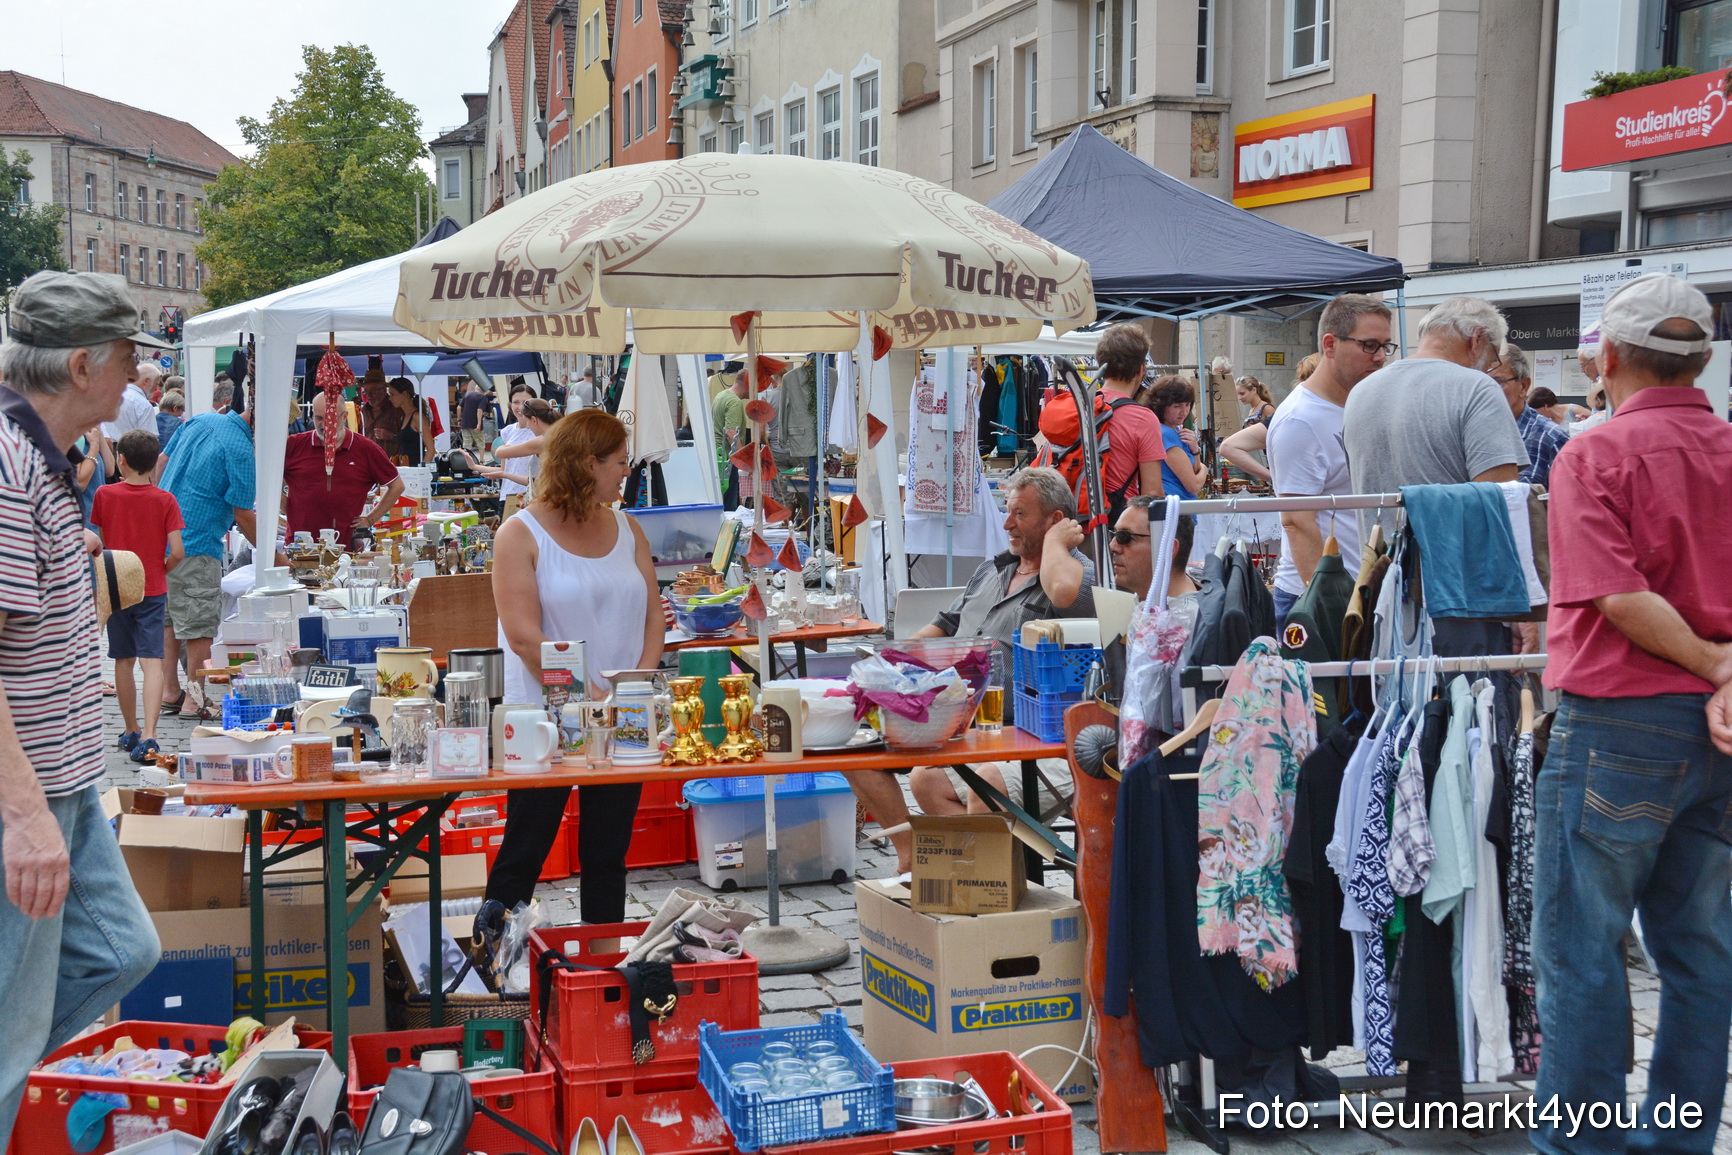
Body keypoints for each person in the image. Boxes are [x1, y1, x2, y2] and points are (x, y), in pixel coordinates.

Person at [1532, 273, 1732, 1155]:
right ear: (1704, 359)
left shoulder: (1596, 453)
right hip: (1718, 725)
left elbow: (1615, 594)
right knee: (1700, 953)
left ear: (1607, 357)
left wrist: (1716, 663)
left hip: (1620, 720)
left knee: (1584, 954)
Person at [0, 271, 163, 1137]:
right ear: (80, 366)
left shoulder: (46, 460)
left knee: (124, 949)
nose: (136, 373)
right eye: (127, 354)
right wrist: (25, 815)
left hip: (65, 781)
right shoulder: (8, 463)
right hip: (25, 793)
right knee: (10, 1031)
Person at [861, 467, 1097, 870]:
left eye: (1020, 514)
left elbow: (1062, 592)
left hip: (1022, 730)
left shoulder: (1078, 574)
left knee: (979, 785)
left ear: (1055, 520)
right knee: (867, 755)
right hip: (955, 716)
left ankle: (987, 877)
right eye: (1008, 512)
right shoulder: (993, 569)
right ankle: (920, 857)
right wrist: (889, 661)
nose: (1007, 524)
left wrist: (1057, 544)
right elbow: (945, 624)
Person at [487, 409, 661, 926]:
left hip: (623, 716)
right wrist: (589, 699)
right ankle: (492, 958)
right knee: (526, 847)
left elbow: (654, 614)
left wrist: (634, 688)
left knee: (608, 852)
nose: (627, 471)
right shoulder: (519, 534)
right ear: (588, 463)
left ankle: (601, 962)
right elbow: (523, 637)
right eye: (620, 461)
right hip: (544, 718)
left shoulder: (627, 527)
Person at [1343, 295, 1526, 520]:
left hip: (1376, 542)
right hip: (1453, 542)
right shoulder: (1477, 388)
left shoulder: (1360, 391)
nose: (1488, 368)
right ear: (1477, 339)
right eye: (1493, 358)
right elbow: (1499, 500)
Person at [1267, 294, 1391, 624]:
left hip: (1362, 590)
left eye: (1385, 346)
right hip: (1324, 598)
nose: (1380, 357)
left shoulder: (1362, 403)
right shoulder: (1300, 420)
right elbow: (1296, 521)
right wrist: (1325, 603)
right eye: (1369, 345)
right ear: (1330, 344)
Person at [159, 386, 274, 719]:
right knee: (199, 625)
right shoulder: (241, 449)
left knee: (170, 620)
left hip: (164, 536)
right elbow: (244, 515)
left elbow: (163, 460)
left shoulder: (201, 420)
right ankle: (194, 699)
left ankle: (170, 691)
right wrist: (274, 557)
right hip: (197, 542)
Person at [91, 430, 184, 765]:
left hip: (118, 586)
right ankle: (150, 733)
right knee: (152, 661)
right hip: (153, 587)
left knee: (123, 659)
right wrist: (160, 569)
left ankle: (130, 728)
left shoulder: (104, 494)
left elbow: (103, 543)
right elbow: (178, 551)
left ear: (122, 460)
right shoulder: (165, 499)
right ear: (152, 463)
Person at [283, 393, 405, 545]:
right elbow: (266, 480)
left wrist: (370, 519)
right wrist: (287, 507)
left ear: (345, 416)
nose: (324, 425)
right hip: (300, 547)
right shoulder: (294, 445)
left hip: (345, 548)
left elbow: (397, 486)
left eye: (331, 419)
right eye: (319, 418)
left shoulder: (365, 449)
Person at [1091, 323, 1165, 511]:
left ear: (1101, 364)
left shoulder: (1075, 405)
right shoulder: (1143, 418)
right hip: (1118, 519)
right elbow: (1152, 493)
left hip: (1071, 519)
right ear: (1140, 369)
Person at [1218, 354, 1321, 482]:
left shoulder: (1267, 408)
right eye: (1238, 394)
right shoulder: (1253, 410)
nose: (1240, 398)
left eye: (1242, 393)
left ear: (1254, 390)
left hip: (1267, 460)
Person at [1494, 344, 1569, 489]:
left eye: (1497, 382)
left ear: (1523, 386)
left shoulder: (1552, 438)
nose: (1486, 389)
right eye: (1481, 382)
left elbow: (1570, 498)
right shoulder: (1468, 433)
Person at [477, 398, 559, 517]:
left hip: (549, 502)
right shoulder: (558, 437)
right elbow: (537, 480)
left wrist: (507, 444)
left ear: (534, 420)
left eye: (527, 423)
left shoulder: (542, 441)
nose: (528, 427)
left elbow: (499, 453)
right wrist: (505, 474)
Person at [1148, 375, 1207, 497]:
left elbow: (1194, 471)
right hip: (1176, 503)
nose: (1184, 412)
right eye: (1177, 406)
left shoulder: (1175, 430)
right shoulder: (1166, 433)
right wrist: (1205, 469)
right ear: (1161, 406)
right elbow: (1194, 486)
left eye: (1187, 405)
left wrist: (1195, 450)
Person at [100, 360, 159, 465]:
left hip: (106, 452)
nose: (156, 388)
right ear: (146, 381)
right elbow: (149, 441)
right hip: (132, 456)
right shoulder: (143, 404)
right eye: (156, 383)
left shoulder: (109, 395)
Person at [713, 373, 748, 510]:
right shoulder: (734, 402)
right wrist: (744, 461)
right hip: (727, 460)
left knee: (719, 502)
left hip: (718, 456)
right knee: (728, 507)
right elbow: (731, 433)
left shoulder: (720, 396)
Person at [358, 367, 402, 453]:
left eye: (373, 390)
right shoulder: (364, 410)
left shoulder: (396, 408)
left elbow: (410, 439)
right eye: (366, 391)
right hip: (369, 458)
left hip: (390, 459)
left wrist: (392, 436)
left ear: (384, 390)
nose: (369, 395)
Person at [385, 378, 425, 465]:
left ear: (404, 394)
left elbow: (430, 449)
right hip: (406, 468)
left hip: (416, 468)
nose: (390, 399)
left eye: (392, 394)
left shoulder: (417, 417)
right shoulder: (403, 417)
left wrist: (422, 469)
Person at [458, 381, 489, 458]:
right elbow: (479, 410)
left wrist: (459, 419)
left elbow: (459, 407)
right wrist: (479, 424)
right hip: (475, 424)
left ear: (475, 388)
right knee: (480, 443)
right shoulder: (482, 397)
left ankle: (466, 461)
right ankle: (481, 460)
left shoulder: (467, 394)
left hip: (465, 423)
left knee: (467, 444)